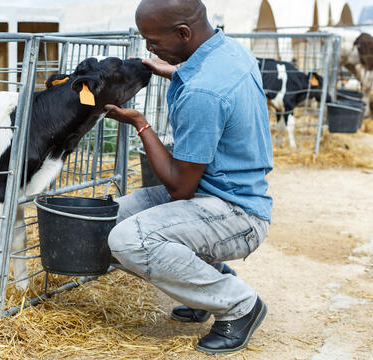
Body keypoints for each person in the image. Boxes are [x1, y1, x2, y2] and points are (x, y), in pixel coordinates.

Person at [104, 0, 273, 355]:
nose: (150, 48)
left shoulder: (203, 92)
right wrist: (170, 70)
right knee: (107, 220)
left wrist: (140, 123)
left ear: (183, 33)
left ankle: (238, 305)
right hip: (216, 196)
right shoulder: (227, 51)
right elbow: (208, 81)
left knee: (128, 241)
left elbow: (180, 187)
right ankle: (205, 291)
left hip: (236, 213)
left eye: (153, 40)